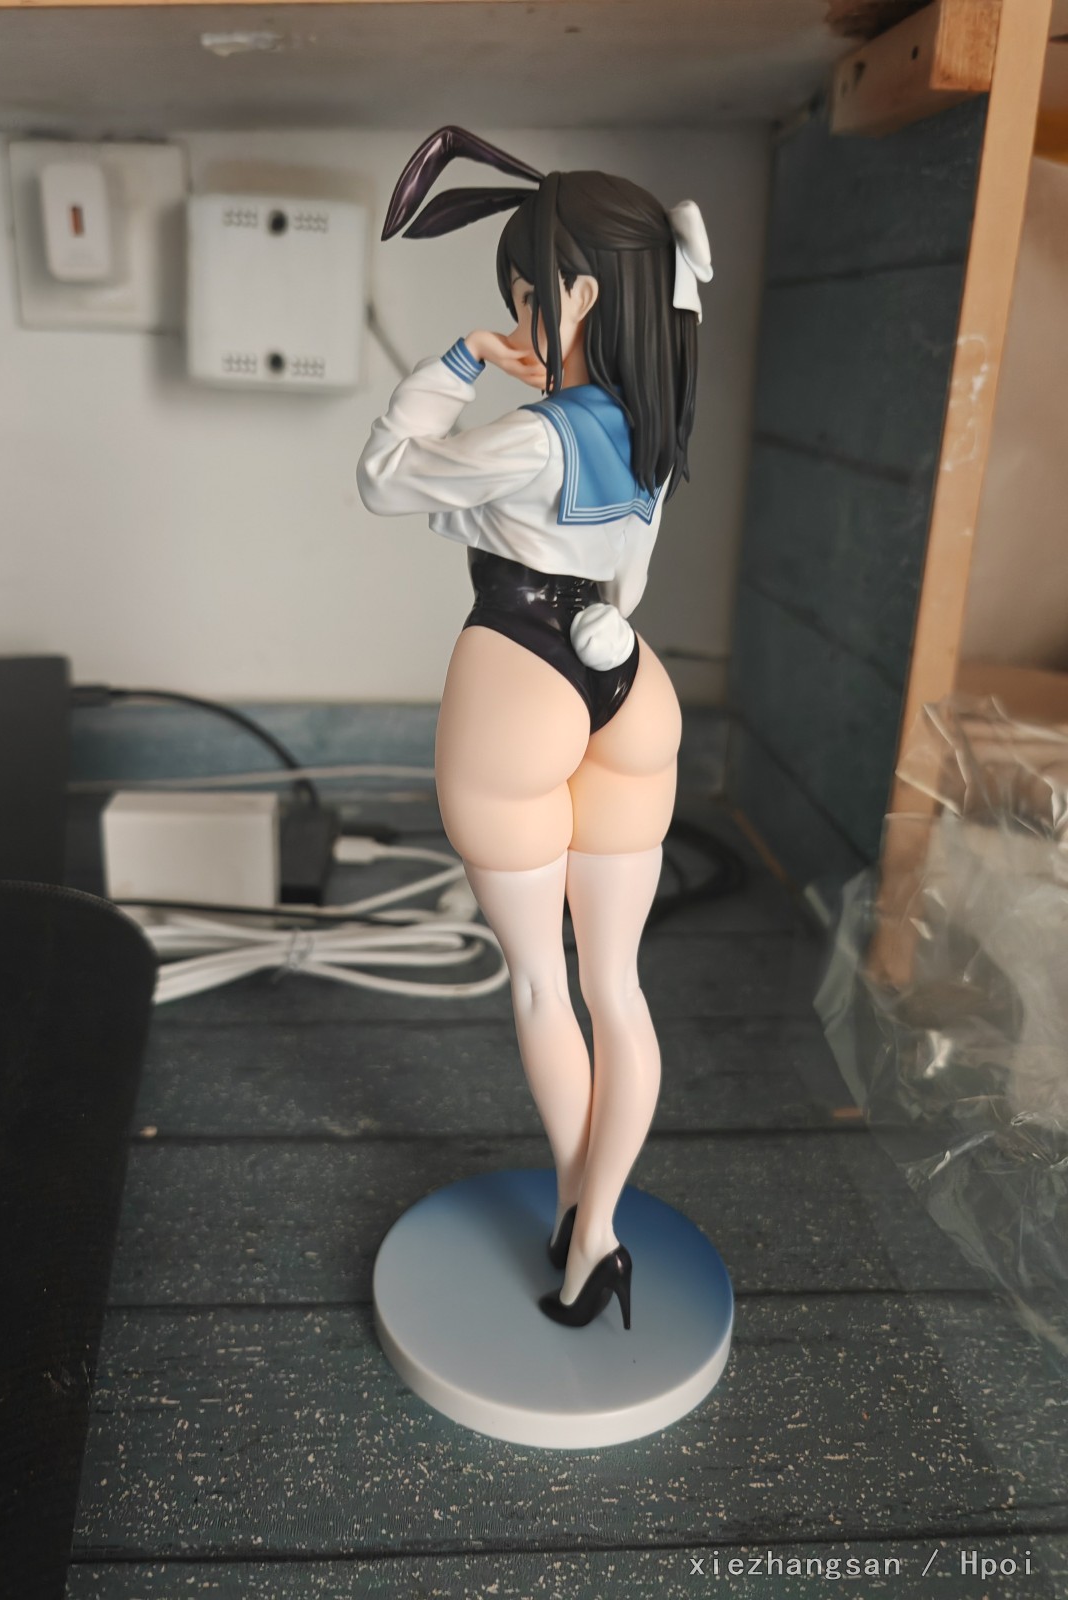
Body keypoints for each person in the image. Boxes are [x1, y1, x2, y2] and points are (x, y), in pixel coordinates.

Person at [357, 128, 712, 1331]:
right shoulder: (657, 429)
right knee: (617, 984)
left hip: (522, 670)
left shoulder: (528, 437)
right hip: (629, 679)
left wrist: (461, 358)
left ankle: (586, 1224)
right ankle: (595, 1226)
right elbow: (628, 577)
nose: (518, 316)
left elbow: (385, 477)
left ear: (578, 297)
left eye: (524, 295)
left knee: (540, 986)